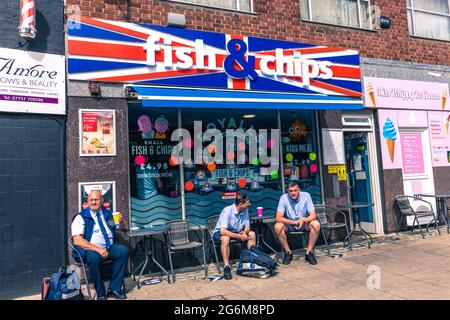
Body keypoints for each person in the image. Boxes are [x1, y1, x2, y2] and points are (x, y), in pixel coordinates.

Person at [71, 190, 129, 300]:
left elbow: (123, 229)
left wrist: (121, 222)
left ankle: (114, 289)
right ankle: (101, 293)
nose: (93, 202)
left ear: (102, 201)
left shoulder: (109, 214)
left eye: (96, 200)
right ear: (87, 201)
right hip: (89, 249)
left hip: (108, 247)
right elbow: (77, 240)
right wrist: (98, 249)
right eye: (91, 200)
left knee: (123, 251)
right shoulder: (80, 217)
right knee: (94, 258)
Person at [274, 181, 320, 265]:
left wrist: (303, 220)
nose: (293, 193)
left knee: (316, 224)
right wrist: (294, 222)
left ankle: (308, 252)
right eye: (290, 191)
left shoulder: (306, 196)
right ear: (288, 191)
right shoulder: (283, 198)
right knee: (278, 226)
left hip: (304, 223)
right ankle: (288, 252)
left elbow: (313, 215)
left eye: (295, 190)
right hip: (290, 224)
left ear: (299, 189)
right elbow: (278, 217)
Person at [212, 193, 256, 280]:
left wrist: (244, 232)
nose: (249, 204)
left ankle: (251, 261)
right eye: (248, 203)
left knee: (252, 234)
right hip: (220, 232)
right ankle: (226, 267)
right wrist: (240, 236)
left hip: (236, 231)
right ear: (240, 204)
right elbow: (223, 231)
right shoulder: (227, 211)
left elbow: (247, 227)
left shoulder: (245, 210)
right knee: (225, 238)